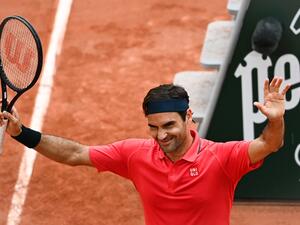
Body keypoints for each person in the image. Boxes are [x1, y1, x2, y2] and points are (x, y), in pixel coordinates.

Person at [0, 76, 290, 225]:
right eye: (153, 127)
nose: (161, 135)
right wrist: (21, 133)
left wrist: (275, 121)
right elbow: (75, 154)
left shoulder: (221, 158)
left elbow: (269, 144)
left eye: (168, 125)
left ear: (189, 116)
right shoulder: (135, 155)